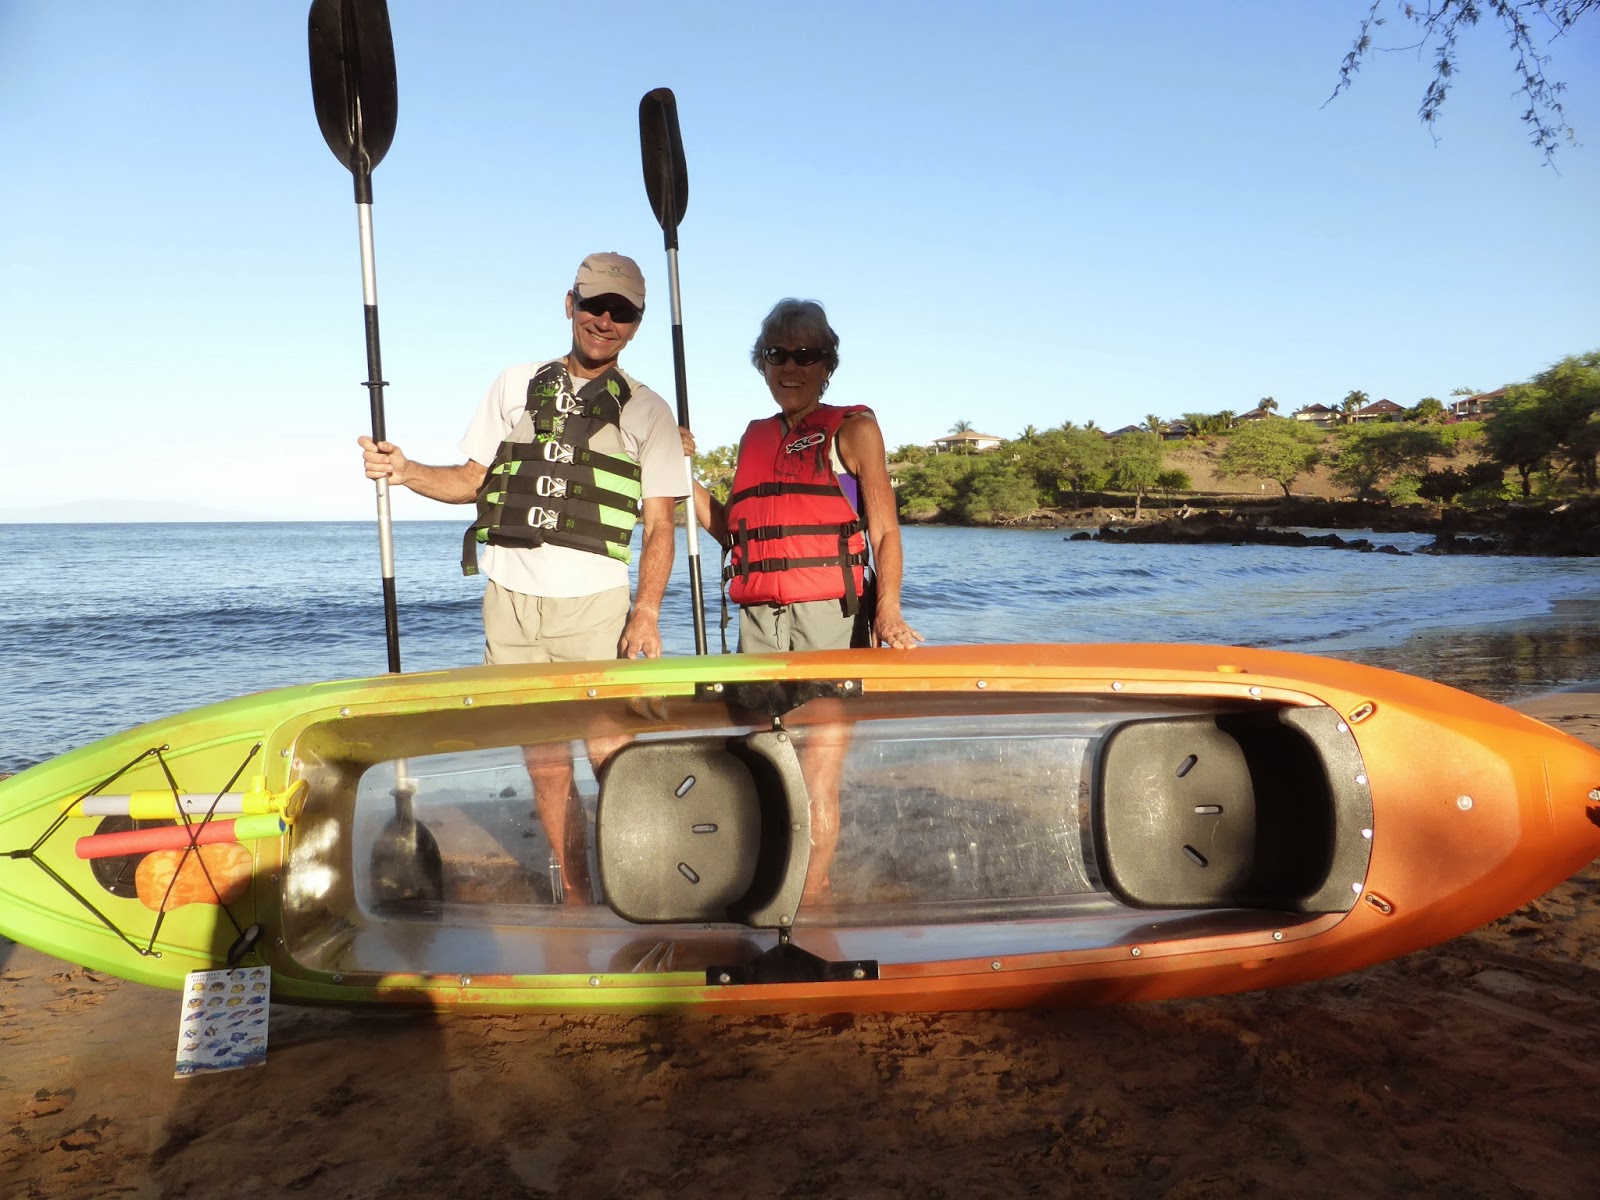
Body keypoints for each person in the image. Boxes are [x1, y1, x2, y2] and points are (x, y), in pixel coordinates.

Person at [359, 252, 687, 904]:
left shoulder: (649, 411)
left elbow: (660, 526)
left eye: (621, 313)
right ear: (569, 304)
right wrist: (404, 471)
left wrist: (646, 610)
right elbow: (473, 482)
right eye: (594, 305)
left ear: (637, 324)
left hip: (594, 604)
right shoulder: (513, 384)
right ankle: (575, 889)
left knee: (611, 752)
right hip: (509, 601)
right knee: (542, 759)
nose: (605, 320)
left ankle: (650, 880)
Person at [681, 298, 922, 902]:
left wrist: (888, 610)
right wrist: (678, 475)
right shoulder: (753, 438)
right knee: (765, 764)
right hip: (760, 621)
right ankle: (771, 890)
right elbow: (733, 529)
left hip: (831, 620)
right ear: (762, 363)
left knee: (817, 772)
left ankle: (810, 899)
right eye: (777, 355)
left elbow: (886, 531)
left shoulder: (854, 431)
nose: (791, 367)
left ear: (828, 363)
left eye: (806, 354)